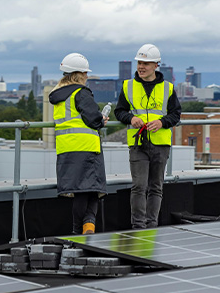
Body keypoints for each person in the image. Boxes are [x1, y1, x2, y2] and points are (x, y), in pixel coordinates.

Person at [116, 43, 180, 229]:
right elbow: (119, 111)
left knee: (156, 187)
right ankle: (138, 227)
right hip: (138, 144)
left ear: (156, 65)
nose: (141, 67)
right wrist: (130, 118)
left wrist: (162, 122)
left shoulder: (168, 88)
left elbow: (175, 114)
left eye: (146, 63)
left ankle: (151, 226)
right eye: (139, 63)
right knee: (139, 186)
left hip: (160, 143)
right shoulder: (128, 86)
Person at [48, 52, 108, 234]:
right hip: (87, 148)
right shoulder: (81, 93)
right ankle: (84, 228)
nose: (87, 77)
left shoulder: (58, 97)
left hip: (67, 149)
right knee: (90, 189)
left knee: (80, 190)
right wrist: (101, 119)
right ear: (78, 74)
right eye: (85, 73)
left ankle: (83, 228)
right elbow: (93, 118)